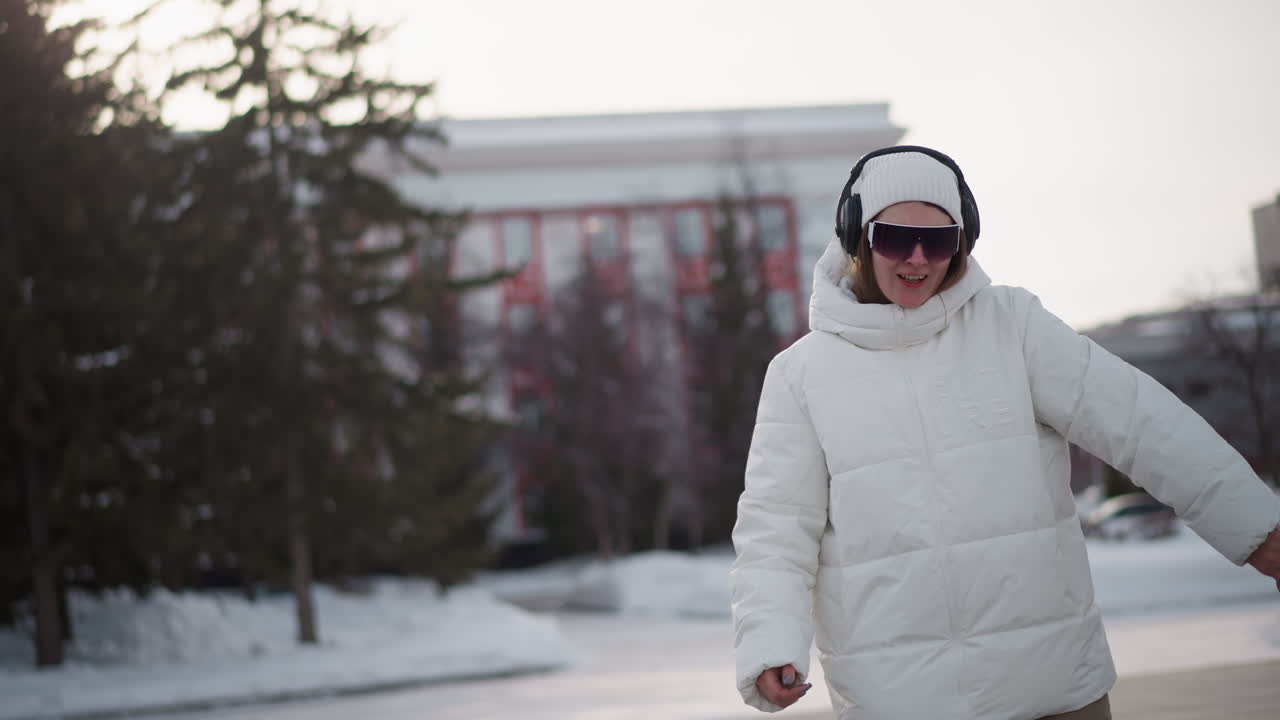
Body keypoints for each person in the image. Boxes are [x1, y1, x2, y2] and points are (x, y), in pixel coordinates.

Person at [729, 145, 1280, 720]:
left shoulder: (1012, 328)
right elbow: (776, 529)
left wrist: (1254, 527)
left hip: (1052, 689)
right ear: (857, 237)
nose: (917, 258)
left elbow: (1141, 423)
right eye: (895, 236)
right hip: (901, 700)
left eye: (938, 240)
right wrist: (769, 643)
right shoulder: (800, 376)